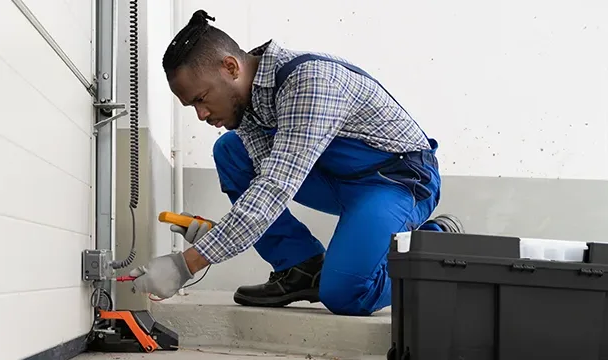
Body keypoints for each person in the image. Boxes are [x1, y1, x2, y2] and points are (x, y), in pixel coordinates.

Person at [127, 10, 463, 316]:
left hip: (395, 182)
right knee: (231, 150)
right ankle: (301, 267)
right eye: (192, 107)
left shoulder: (310, 81)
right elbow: (263, 184)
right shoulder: (246, 103)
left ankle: (434, 245)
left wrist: (185, 265)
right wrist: (217, 235)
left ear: (230, 67)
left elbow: (275, 189)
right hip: (336, 178)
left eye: (201, 99)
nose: (201, 115)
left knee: (347, 294)